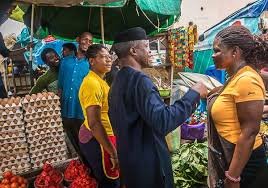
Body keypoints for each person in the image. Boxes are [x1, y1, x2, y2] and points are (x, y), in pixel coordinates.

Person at [108, 27, 207, 188]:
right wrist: (193, 94)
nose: (151, 52)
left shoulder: (117, 82)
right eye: (146, 47)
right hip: (148, 167)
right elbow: (163, 121)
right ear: (133, 50)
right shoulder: (140, 81)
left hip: (130, 163)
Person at [208, 25, 268, 188]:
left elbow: (249, 132)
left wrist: (233, 177)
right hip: (235, 158)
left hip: (246, 165)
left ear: (235, 52)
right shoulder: (236, 77)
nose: (213, 55)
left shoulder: (247, 79)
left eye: (217, 50)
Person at [79, 44, 120, 187]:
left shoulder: (100, 81)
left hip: (105, 136)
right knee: (109, 181)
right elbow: (94, 123)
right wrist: (112, 153)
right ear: (92, 61)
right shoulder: (92, 84)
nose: (109, 60)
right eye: (103, 57)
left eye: (109, 57)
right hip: (98, 139)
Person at [58, 32, 92, 156]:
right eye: (85, 39)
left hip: (81, 109)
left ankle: (86, 165)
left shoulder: (91, 64)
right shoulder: (65, 62)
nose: (87, 43)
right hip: (66, 108)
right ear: (78, 39)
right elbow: (60, 86)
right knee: (70, 140)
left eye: (90, 41)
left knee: (84, 141)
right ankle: (77, 163)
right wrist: (59, 105)